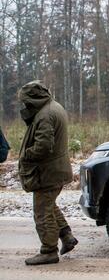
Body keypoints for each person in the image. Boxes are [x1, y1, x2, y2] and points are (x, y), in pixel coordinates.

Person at [17, 81, 78, 265]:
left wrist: (25, 155)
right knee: (49, 205)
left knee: (42, 212)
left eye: (26, 101)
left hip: (48, 172)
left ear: (34, 99)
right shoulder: (53, 107)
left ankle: (49, 251)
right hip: (55, 170)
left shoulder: (45, 115)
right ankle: (67, 236)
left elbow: (43, 147)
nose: (24, 105)